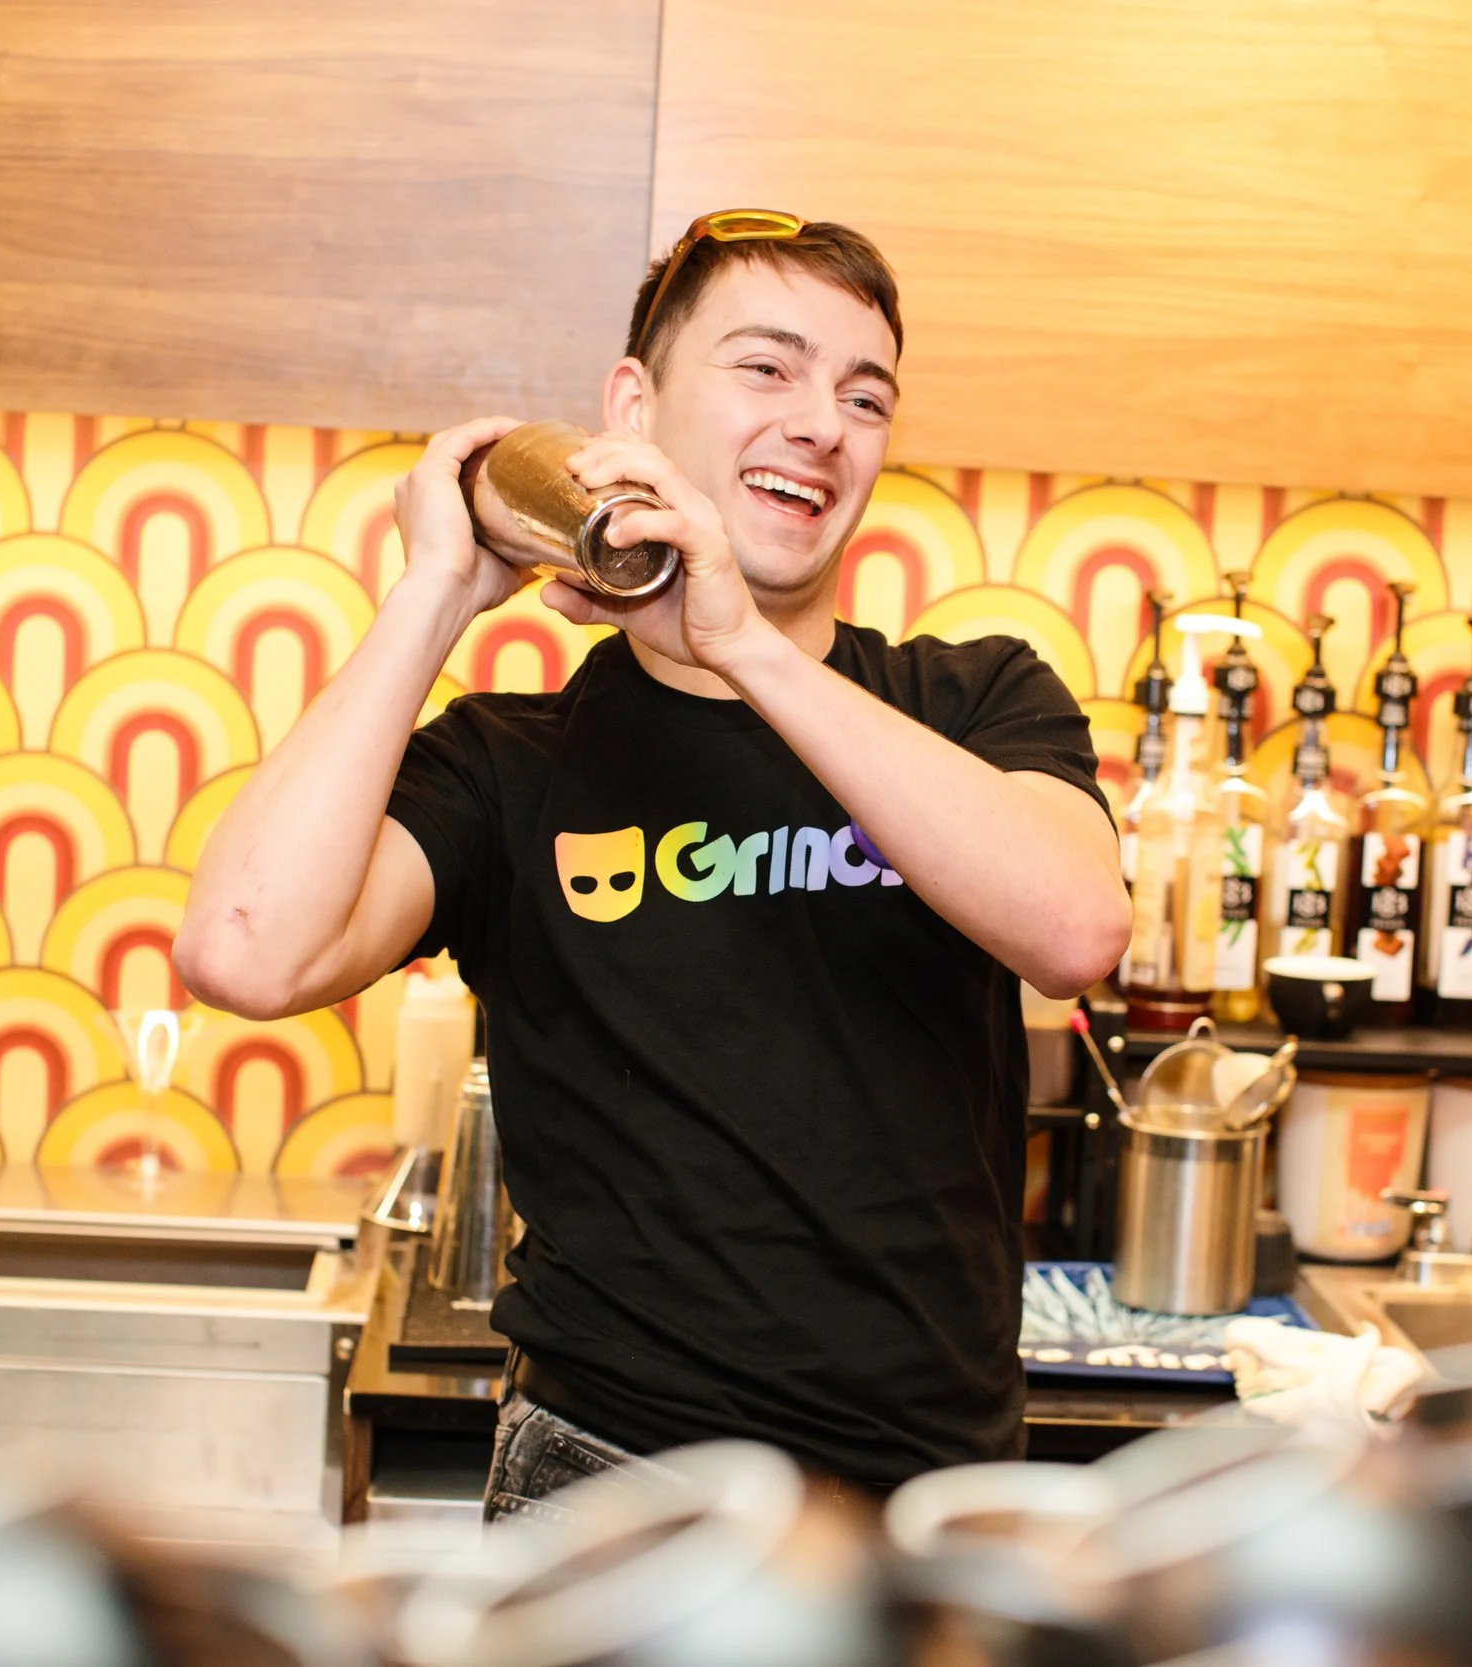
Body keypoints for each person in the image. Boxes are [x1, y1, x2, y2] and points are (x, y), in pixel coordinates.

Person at [175, 212, 1130, 1516]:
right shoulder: (512, 761)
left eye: (866, 394)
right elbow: (243, 947)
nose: (823, 423)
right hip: (607, 1487)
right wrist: (436, 592)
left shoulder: (971, 698)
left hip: (930, 1495)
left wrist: (745, 649)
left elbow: (1076, 929)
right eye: (767, 368)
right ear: (634, 405)